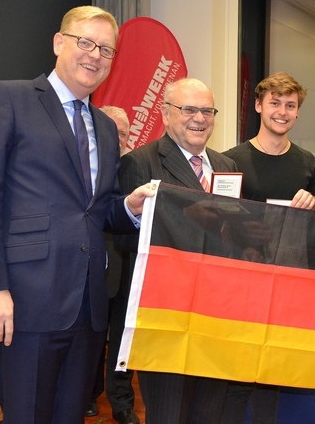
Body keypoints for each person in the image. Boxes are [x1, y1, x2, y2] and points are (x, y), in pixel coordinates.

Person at [0, 6, 157, 423]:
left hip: (86, 306)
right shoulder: (7, 98)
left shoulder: (104, 126)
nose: (95, 55)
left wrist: (129, 207)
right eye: (85, 42)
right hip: (24, 302)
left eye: (106, 49)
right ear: (58, 42)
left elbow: (96, 210)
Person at [117, 78, 237, 423]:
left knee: (211, 412)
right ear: (166, 114)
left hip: (216, 316)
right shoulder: (140, 162)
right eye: (189, 110)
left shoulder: (226, 166)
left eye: (207, 111)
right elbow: (123, 239)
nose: (200, 118)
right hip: (166, 317)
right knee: (170, 413)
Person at [221, 72, 315, 424]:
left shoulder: (308, 162)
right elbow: (219, 222)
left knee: (289, 364)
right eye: (275, 103)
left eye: (290, 105)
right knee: (244, 371)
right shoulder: (230, 160)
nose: (282, 111)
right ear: (258, 106)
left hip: (294, 281)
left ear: (297, 112)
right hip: (245, 283)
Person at [85, 105, 140, 423]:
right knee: (92, 337)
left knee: (122, 339)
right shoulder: (87, 164)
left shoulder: (135, 163)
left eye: (124, 132)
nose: (119, 137)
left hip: (128, 267)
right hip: (96, 265)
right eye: (113, 130)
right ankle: (89, 395)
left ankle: (121, 403)